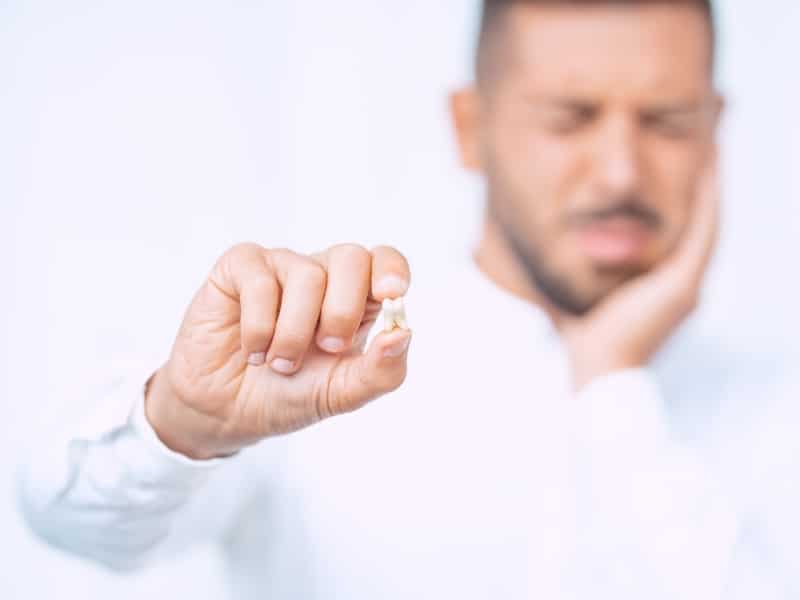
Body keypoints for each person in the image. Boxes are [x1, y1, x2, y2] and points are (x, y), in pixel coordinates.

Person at [17, 1, 799, 598]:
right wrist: (180, 425)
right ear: (471, 127)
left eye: (667, 122)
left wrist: (611, 384)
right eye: (570, 119)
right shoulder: (311, 360)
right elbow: (75, 524)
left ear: (714, 132)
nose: (622, 172)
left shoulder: (776, 410)